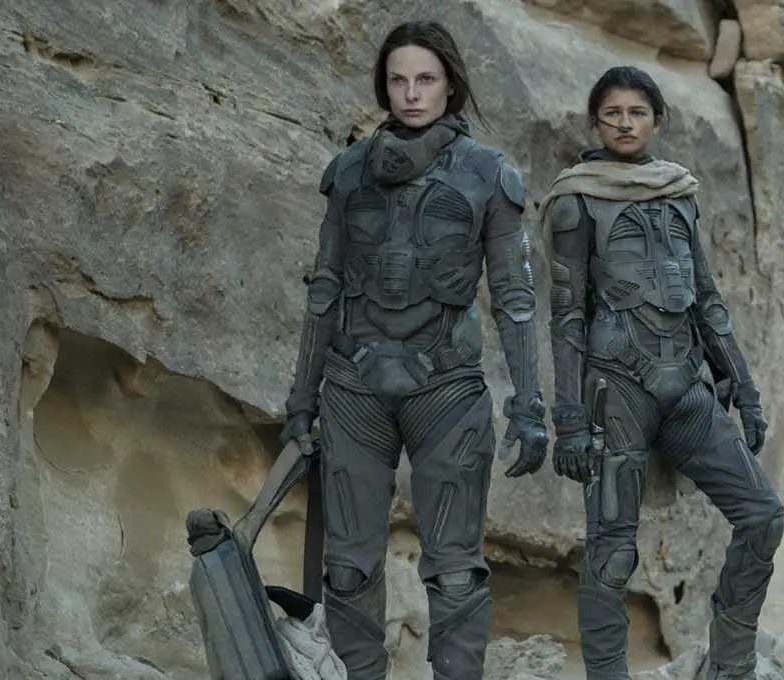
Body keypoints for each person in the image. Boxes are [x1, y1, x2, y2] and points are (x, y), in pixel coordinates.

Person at [279, 20, 549, 680]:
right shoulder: (348, 173)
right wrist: (300, 400)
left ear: (450, 84)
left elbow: (515, 296)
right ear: (384, 86)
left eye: (425, 78)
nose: (411, 92)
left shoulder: (490, 174)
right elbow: (325, 290)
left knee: (455, 570)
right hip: (354, 390)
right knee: (347, 568)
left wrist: (530, 404)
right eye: (398, 79)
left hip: (447, 392)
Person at [539, 65, 784, 680]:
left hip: (689, 393)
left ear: (657, 120)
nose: (625, 124)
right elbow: (566, 317)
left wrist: (745, 389)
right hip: (617, 393)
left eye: (638, 112)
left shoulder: (678, 192)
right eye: (612, 113)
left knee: (763, 516)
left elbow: (707, 299)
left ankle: (730, 663)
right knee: (612, 552)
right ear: (594, 122)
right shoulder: (575, 199)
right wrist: (569, 420)